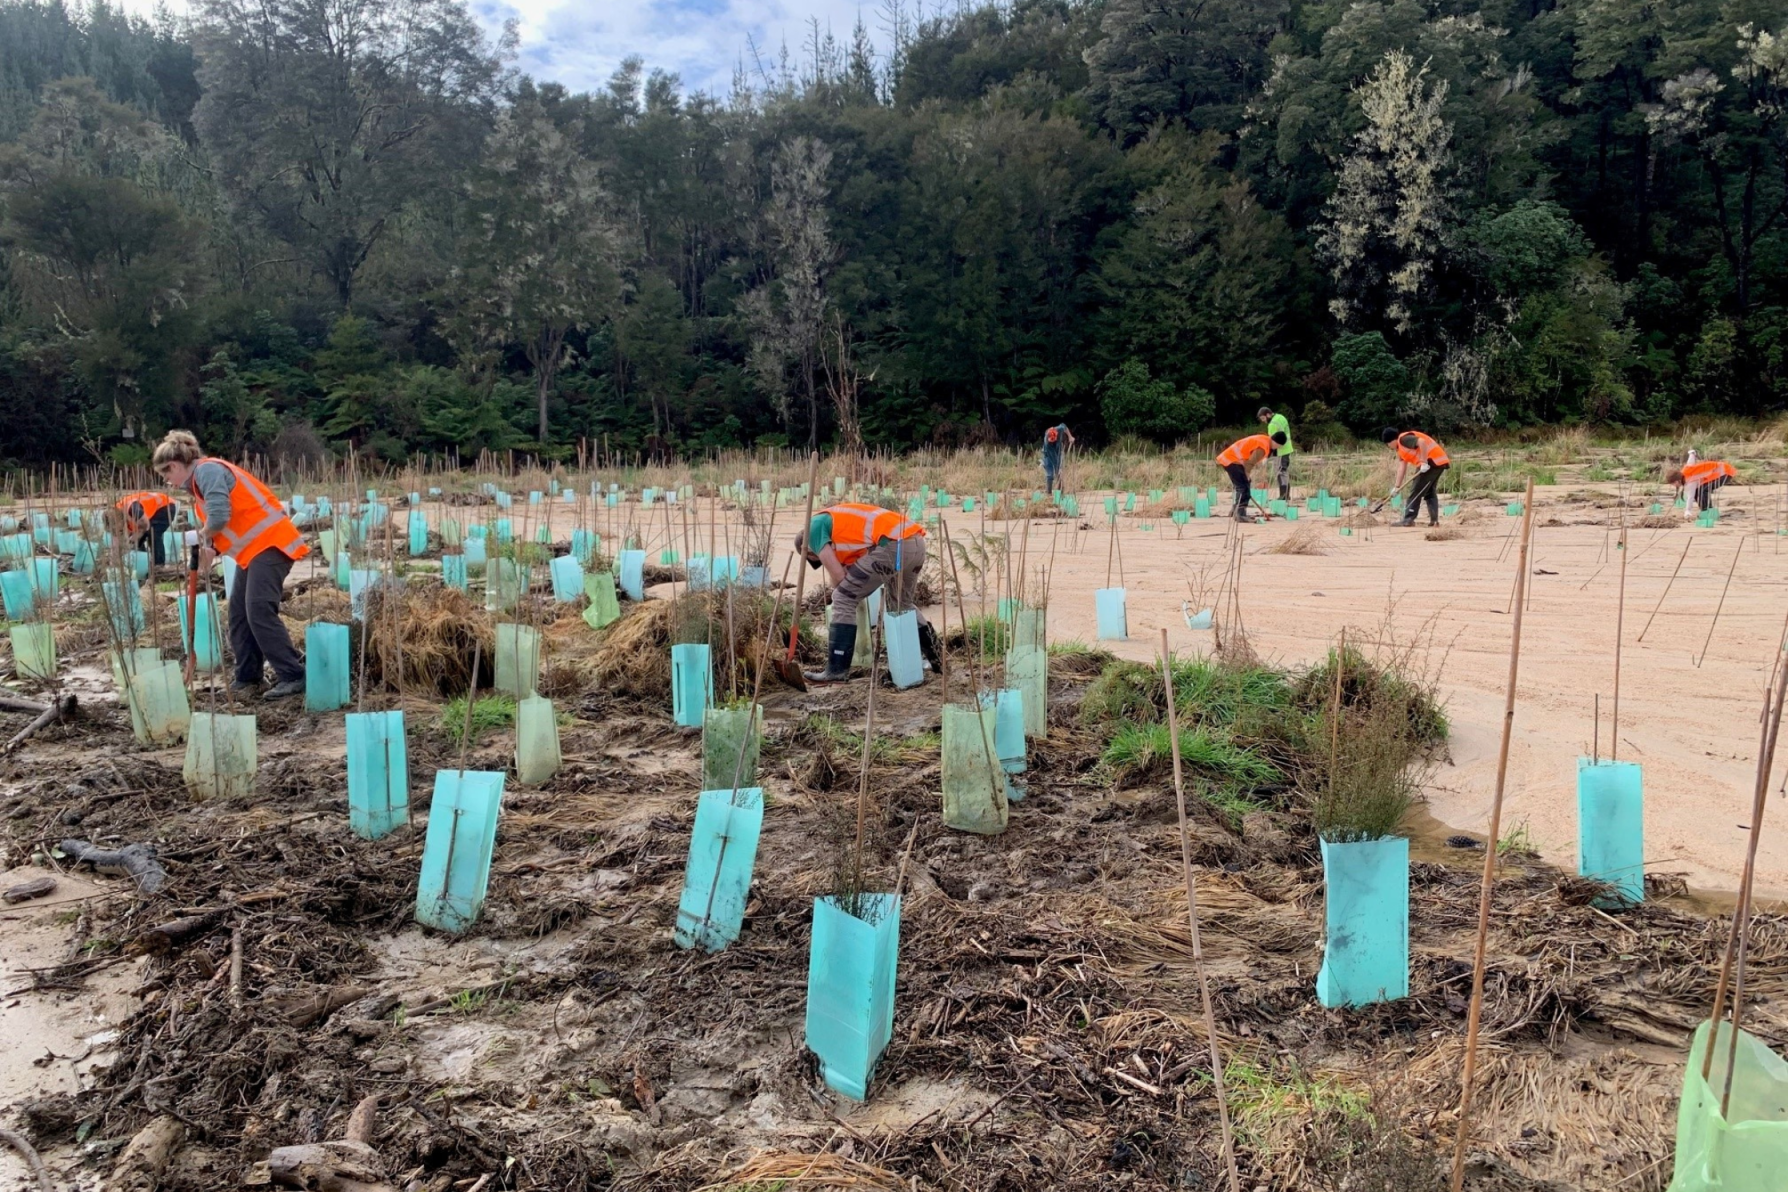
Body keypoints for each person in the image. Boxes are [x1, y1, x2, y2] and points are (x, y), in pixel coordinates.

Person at [152, 430, 309, 699]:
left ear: (175, 466)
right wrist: (212, 548)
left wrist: (201, 536)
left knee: (258, 609)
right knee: (239, 614)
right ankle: (248, 677)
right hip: (253, 551)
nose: (168, 482)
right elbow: (232, 522)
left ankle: (293, 674)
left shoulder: (207, 471)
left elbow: (219, 516)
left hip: (271, 543)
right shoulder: (200, 484)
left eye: (165, 475)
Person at [797, 502, 942, 684]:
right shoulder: (840, 528)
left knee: (843, 598)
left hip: (892, 545)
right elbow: (852, 570)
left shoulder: (812, 530)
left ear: (809, 550)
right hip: (915, 542)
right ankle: (938, 659)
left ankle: (836, 670)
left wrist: (835, 570)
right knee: (901, 604)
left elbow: (839, 577)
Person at [1381, 427, 1450, 527]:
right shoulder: (1400, 450)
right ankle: (1434, 521)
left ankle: (1408, 519)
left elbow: (1421, 442)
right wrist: (1396, 487)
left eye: (1388, 444)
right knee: (1429, 491)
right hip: (1439, 462)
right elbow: (1402, 467)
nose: (1389, 446)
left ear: (1392, 440)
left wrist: (1424, 462)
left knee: (1415, 490)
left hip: (1431, 461)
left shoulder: (1403, 439)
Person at [1215, 432, 1274, 521]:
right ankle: (1240, 514)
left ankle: (1235, 510)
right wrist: (1247, 475)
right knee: (1243, 487)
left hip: (1231, 460)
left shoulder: (1264, 440)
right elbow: (1250, 463)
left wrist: (1247, 478)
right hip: (1232, 461)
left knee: (1242, 485)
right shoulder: (1263, 447)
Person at [114, 490, 176, 565]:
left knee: (153, 533)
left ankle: (159, 564)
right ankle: (143, 560)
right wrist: (116, 558)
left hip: (165, 505)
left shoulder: (132, 509)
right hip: (149, 512)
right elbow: (116, 539)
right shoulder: (117, 516)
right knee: (136, 539)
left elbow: (146, 524)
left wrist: (138, 535)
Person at [1668, 458, 1736, 514]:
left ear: (1676, 481)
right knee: (1698, 491)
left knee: (1703, 490)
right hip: (1719, 472)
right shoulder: (1684, 471)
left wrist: (1688, 510)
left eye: (1673, 484)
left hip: (1725, 472)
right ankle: (1705, 509)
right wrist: (1692, 453)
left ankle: (1706, 511)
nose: (1674, 486)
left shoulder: (1690, 481)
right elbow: (1690, 461)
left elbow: (1690, 497)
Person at [1258, 407, 1293, 503]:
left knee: (1280, 472)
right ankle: (1286, 495)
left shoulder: (1272, 425)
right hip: (1287, 448)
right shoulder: (1280, 417)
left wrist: (1266, 456)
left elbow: (1272, 443)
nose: (1263, 421)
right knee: (1284, 471)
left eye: (1263, 418)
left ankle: (1284, 495)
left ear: (1268, 415)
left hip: (1280, 451)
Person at [1042, 423, 1075, 496]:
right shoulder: (1047, 444)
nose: (1052, 441)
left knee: (1059, 473)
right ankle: (1048, 493)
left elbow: (1064, 426)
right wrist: (1058, 468)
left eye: (1054, 440)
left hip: (1058, 451)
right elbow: (1054, 459)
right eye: (1051, 440)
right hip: (1048, 455)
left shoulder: (1059, 429)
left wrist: (1070, 437)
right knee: (1050, 475)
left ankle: (1060, 491)